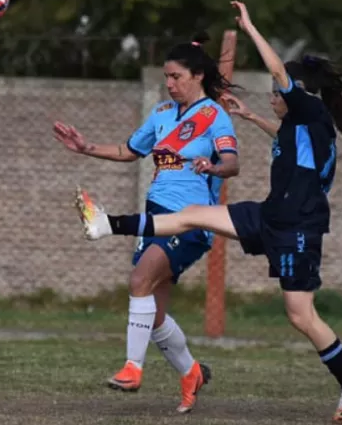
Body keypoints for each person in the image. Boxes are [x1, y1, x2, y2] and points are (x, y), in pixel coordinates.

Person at [73, 1, 342, 423]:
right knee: (195, 212)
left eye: (277, 94)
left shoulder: (308, 111)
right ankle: (107, 224)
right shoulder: (304, 127)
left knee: (300, 315)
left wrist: (250, 27)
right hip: (270, 216)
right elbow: (288, 140)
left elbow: (279, 74)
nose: (273, 98)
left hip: (297, 228)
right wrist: (251, 116)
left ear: (299, 94)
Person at [53, 32, 240, 414]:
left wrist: (214, 166)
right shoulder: (160, 115)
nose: (169, 84)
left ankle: (132, 369)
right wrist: (86, 148)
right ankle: (191, 374)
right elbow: (129, 151)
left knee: (139, 281)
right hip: (155, 217)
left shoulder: (214, 116)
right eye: (166, 78)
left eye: (176, 77)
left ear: (198, 75)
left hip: (191, 222)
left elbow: (233, 163)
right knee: (152, 314)